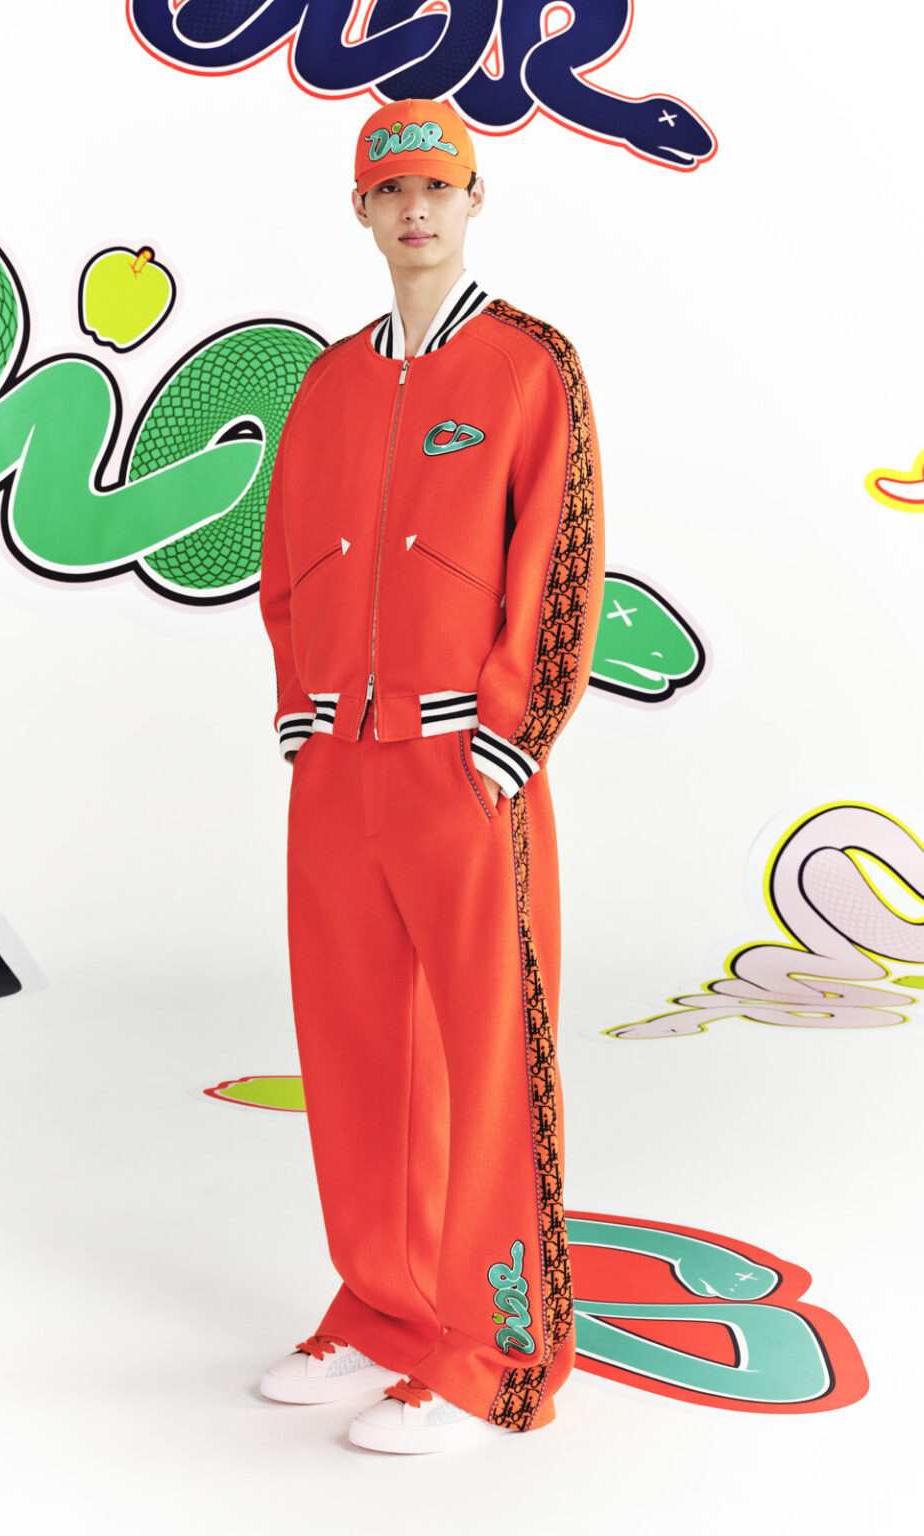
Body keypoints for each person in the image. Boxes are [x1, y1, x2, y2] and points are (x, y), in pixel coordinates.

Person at [257, 95, 605, 1454]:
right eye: (392, 189)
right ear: (362, 209)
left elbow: (561, 552)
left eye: (438, 188)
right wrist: (299, 711)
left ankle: (497, 1354)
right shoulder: (330, 381)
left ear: (472, 202)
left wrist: (514, 733)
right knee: (357, 1055)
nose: (416, 208)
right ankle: (387, 1309)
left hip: (467, 766)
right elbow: (288, 557)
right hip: (339, 766)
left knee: (487, 1061)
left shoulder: (528, 364)